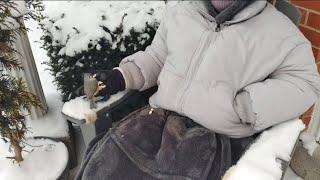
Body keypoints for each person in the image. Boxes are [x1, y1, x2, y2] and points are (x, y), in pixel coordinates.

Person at [76, 0, 320, 179]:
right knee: (103, 165)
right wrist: (122, 75)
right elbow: (157, 57)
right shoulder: (182, 12)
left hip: (215, 140)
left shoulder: (279, 32)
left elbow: (305, 83)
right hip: (154, 121)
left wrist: (249, 105)